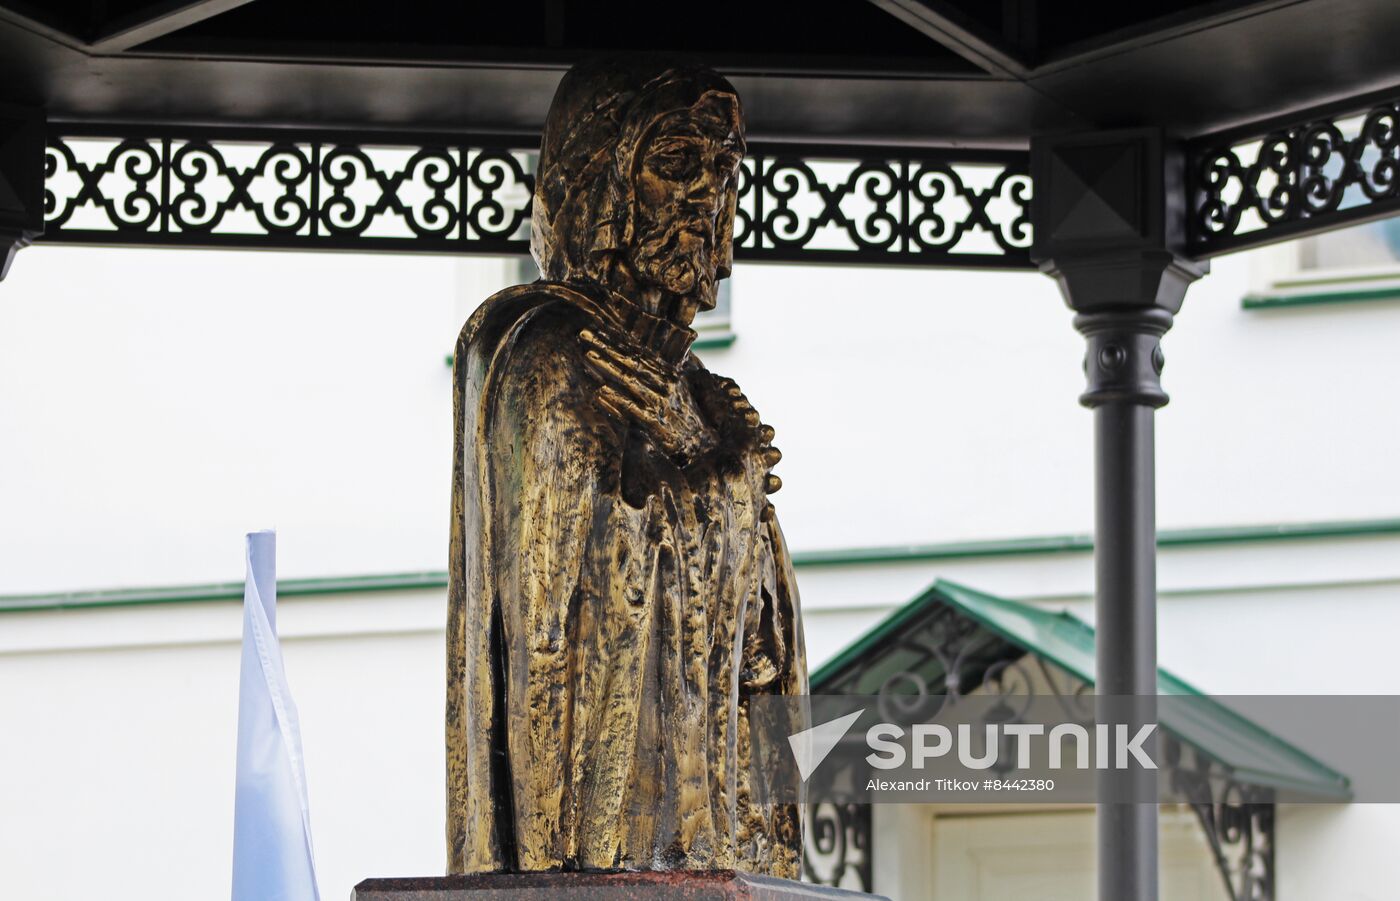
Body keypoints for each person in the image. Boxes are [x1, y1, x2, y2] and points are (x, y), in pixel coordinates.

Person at [446, 57, 805, 878]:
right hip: (602, 844)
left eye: (722, 171)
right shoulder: (544, 344)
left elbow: (763, 618)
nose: (704, 197)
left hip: (716, 833)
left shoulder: (701, 389)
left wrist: (722, 464)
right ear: (599, 184)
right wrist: (726, 481)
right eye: (676, 164)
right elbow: (574, 590)